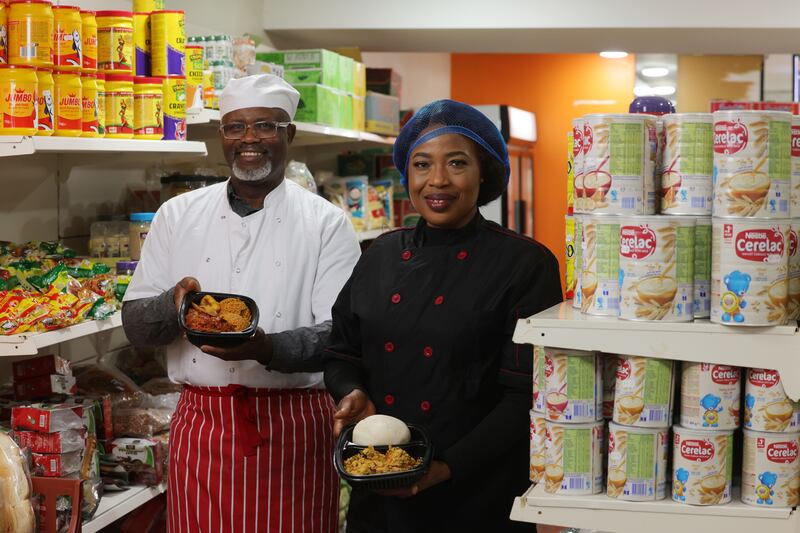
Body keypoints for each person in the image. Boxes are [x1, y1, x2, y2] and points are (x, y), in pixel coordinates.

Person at [121, 74, 360, 533]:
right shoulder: (177, 215)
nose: (249, 139)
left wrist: (263, 347)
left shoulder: (326, 223)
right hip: (202, 424)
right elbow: (135, 323)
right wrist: (173, 307)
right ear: (221, 136)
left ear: (288, 134)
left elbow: (340, 336)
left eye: (266, 126)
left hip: (293, 427)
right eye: (235, 127)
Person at [324, 99, 563, 532]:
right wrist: (352, 392)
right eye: (421, 165)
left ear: (484, 173)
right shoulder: (380, 254)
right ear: (407, 175)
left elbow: (528, 394)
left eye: (457, 163)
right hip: (380, 486)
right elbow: (342, 352)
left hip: (477, 492)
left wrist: (445, 466)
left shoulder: (525, 263)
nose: (437, 180)